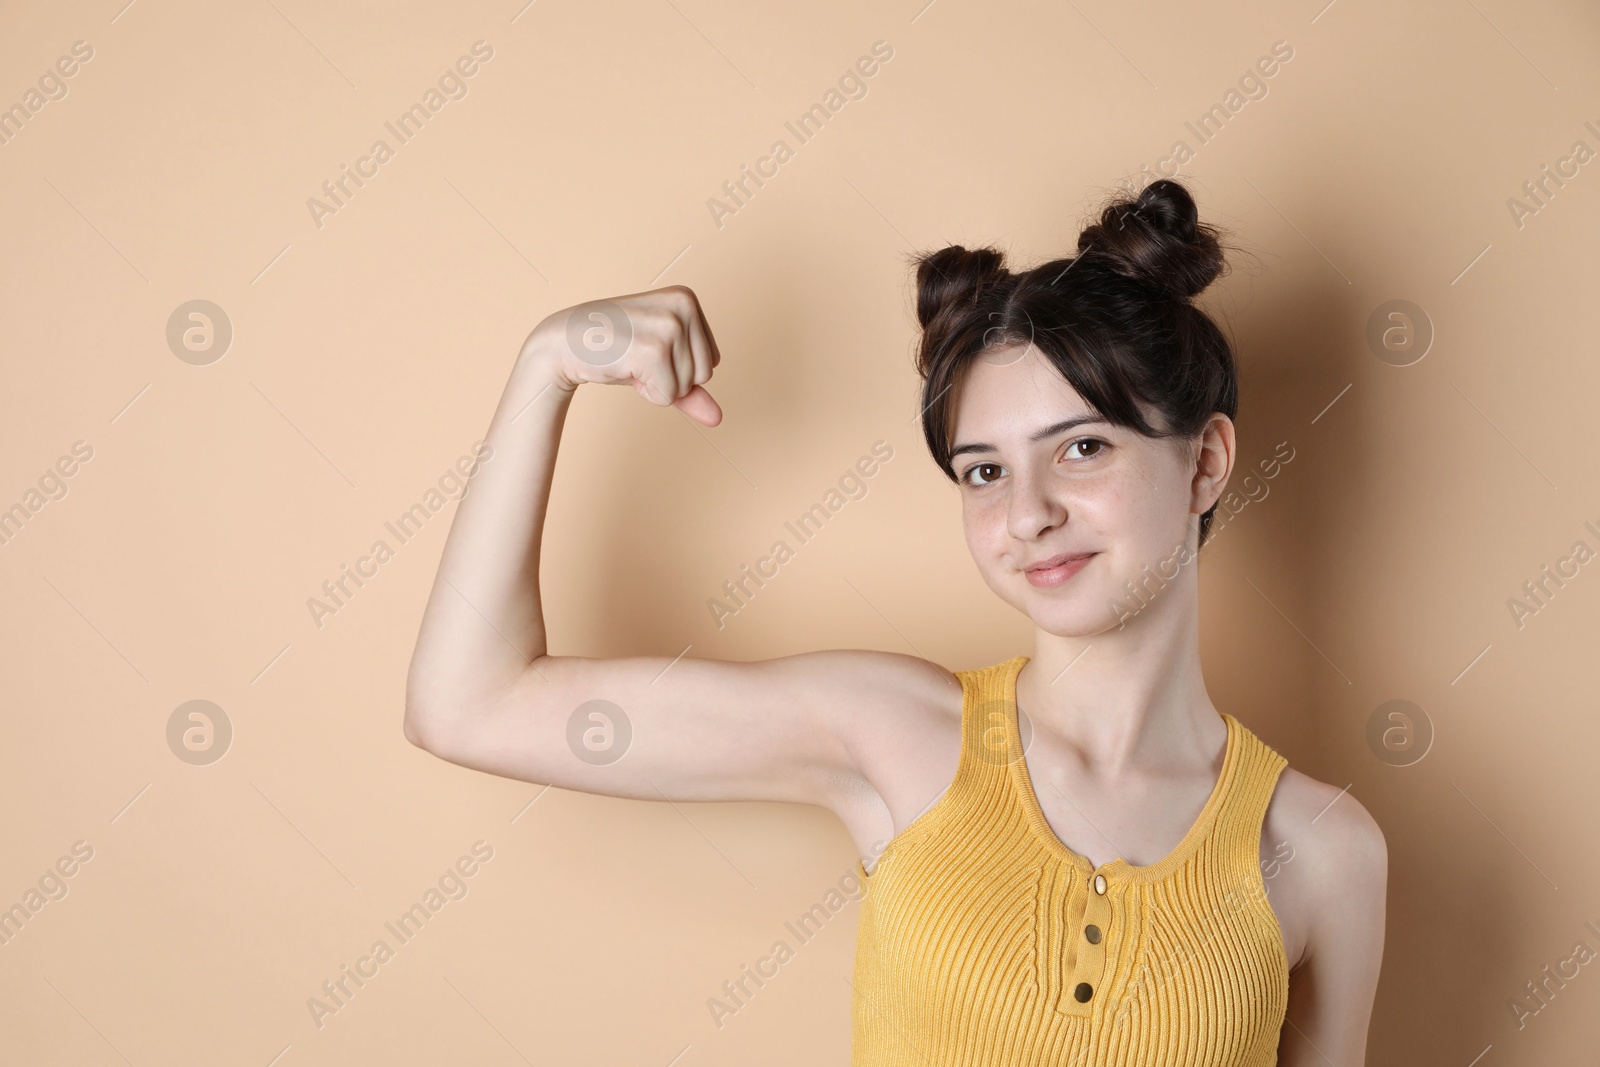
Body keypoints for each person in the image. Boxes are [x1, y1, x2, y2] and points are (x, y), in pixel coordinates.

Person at [402, 177, 1387, 1066]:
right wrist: (548, 369)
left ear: (1205, 464)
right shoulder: (893, 733)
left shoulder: (1320, 848)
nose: (1027, 512)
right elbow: (469, 703)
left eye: (1081, 446)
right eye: (984, 470)